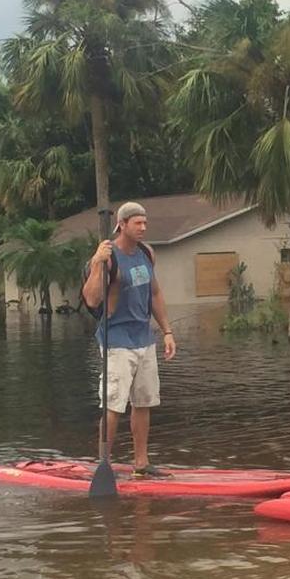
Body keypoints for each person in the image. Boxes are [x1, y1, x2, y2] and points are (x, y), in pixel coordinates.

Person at [82, 201, 177, 478]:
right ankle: (104, 465)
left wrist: (167, 331)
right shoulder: (108, 257)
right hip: (116, 340)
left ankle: (141, 463)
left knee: (144, 401)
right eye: (138, 223)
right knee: (113, 405)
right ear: (122, 224)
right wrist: (97, 262)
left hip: (144, 339)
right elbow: (90, 297)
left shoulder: (147, 253)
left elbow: (155, 294)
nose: (144, 227)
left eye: (145, 222)